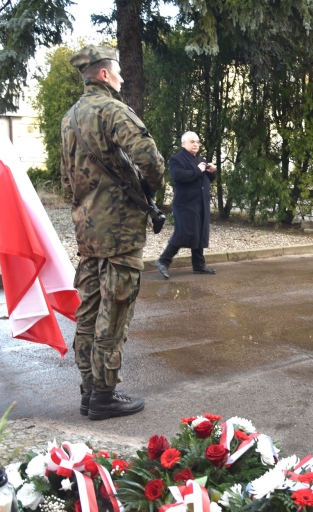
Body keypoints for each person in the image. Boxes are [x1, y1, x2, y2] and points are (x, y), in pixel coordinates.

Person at [61, 45, 166, 420]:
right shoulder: (112, 109)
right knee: (115, 307)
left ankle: (89, 391)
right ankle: (105, 395)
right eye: (118, 72)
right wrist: (153, 191)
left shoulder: (70, 118)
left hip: (87, 230)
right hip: (119, 230)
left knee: (88, 309)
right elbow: (150, 159)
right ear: (103, 74)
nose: (122, 78)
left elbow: (66, 180)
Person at [156, 131, 217, 278]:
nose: (196, 144)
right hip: (185, 204)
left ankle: (199, 265)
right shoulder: (176, 159)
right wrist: (198, 170)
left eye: (197, 141)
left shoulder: (201, 159)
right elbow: (178, 176)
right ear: (184, 143)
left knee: (200, 231)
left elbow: (207, 180)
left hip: (200, 202)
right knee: (184, 233)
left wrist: (212, 172)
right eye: (192, 141)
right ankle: (163, 261)